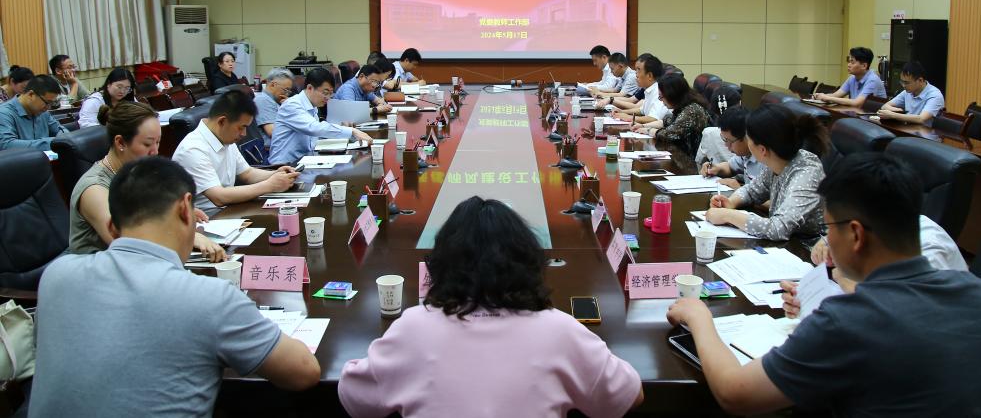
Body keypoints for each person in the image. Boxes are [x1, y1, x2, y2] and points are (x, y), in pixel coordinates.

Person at [666, 152, 981, 417]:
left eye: (829, 228)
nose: (827, 240)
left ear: (855, 234)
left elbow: (735, 394)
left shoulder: (850, 320)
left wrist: (699, 317)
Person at [30, 157, 321, 418]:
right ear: (185, 209)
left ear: (111, 228)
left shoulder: (56, 276)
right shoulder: (209, 298)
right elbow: (304, 373)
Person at [339, 196, 644, 418]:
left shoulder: (414, 327)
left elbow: (354, 397)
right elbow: (630, 395)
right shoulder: (560, 330)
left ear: (441, 264)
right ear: (529, 261)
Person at [68, 101, 224, 262]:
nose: (155, 151)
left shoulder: (137, 174)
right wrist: (188, 235)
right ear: (120, 142)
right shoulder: (93, 188)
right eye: (147, 144)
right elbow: (128, 244)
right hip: (104, 270)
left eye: (158, 142)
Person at [784, 213, 968, 317]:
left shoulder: (929, 249)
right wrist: (810, 299)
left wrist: (841, 276)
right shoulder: (875, 231)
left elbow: (900, 313)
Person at [705, 104, 828, 240]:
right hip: (788, 242)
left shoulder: (807, 174)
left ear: (762, 150)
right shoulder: (777, 161)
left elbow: (778, 228)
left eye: (748, 138)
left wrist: (727, 215)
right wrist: (730, 202)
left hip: (809, 247)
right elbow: (751, 191)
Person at [173, 90, 299, 216]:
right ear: (222, 121)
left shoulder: (225, 137)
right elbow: (219, 197)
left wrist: (275, 174)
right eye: (241, 127)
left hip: (232, 210)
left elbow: (247, 174)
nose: (244, 134)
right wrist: (269, 185)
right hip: (209, 219)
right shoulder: (193, 149)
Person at [270, 67, 373, 164]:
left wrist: (341, 127)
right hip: (283, 166)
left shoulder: (312, 105)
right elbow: (313, 128)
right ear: (310, 88)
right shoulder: (292, 105)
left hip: (305, 160)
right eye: (325, 92)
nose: (328, 98)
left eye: (330, 93)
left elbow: (315, 136)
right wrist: (352, 131)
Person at [638, 73, 712, 157]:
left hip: (689, 159)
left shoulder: (692, 111)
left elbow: (668, 134)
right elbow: (667, 121)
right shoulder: (683, 106)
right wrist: (643, 126)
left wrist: (648, 130)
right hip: (680, 153)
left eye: (661, 97)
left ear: (672, 95)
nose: (661, 101)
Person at [699, 107, 766, 190]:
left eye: (729, 140)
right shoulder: (745, 154)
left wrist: (739, 189)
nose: (726, 145)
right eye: (724, 139)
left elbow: (773, 198)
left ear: (746, 137)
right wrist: (716, 168)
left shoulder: (766, 162)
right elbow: (730, 167)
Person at [0, 75, 66, 151]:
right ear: (31, 94)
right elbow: (6, 145)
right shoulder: (4, 113)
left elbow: (59, 130)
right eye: (47, 102)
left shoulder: (43, 111)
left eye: (52, 103)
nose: (48, 107)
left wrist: (66, 139)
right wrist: (51, 143)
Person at [812, 47, 887, 108]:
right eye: (848, 61)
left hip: (873, 118)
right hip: (858, 114)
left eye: (852, 62)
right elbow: (836, 95)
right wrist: (821, 96)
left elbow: (857, 103)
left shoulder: (872, 80)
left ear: (864, 66)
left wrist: (828, 98)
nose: (848, 65)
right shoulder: (852, 78)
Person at [878, 60, 945, 126]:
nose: (903, 85)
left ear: (920, 80)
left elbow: (921, 119)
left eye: (906, 83)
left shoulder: (935, 95)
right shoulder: (908, 91)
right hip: (908, 128)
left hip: (925, 132)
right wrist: (897, 110)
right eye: (902, 82)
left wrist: (893, 115)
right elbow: (885, 106)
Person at [612, 54, 666, 125]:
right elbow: (642, 110)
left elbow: (653, 118)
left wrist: (630, 117)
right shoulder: (648, 90)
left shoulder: (659, 91)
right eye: (636, 69)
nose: (636, 74)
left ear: (649, 76)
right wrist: (622, 112)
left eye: (638, 69)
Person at [255, 67, 293, 145]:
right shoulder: (263, 100)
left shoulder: (276, 101)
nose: (287, 94)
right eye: (286, 90)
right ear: (273, 85)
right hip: (271, 149)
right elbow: (274, 133)